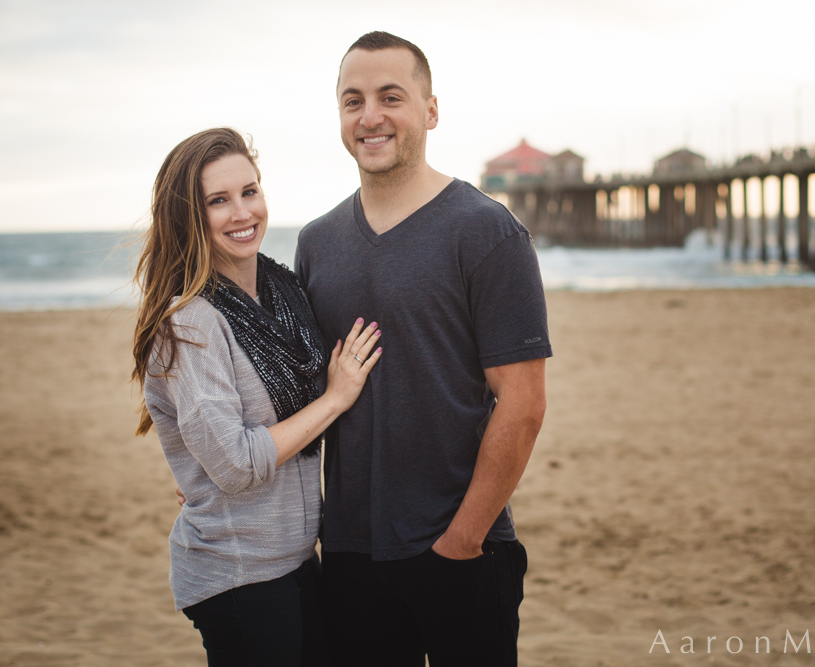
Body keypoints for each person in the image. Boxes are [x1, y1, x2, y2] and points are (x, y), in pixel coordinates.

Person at [295, 32, 552, 667]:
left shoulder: (487, 231)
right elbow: (299, 390)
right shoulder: (317, 242)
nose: (370, 116)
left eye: (391, 97)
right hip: (350, 553)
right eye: (352, 101)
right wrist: (214, 469)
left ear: (430, 111)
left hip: (461, 546)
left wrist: (462, 540)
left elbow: (521, 403)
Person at [132, 127, 380, 666]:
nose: (242, 212)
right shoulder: (191, 323)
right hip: (238, 574)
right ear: (189, 218)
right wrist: (336, 398)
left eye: (249, 191)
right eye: (217, 201)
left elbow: (231, 450)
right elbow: (238, 465)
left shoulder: (281, 290)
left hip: (293, 560)